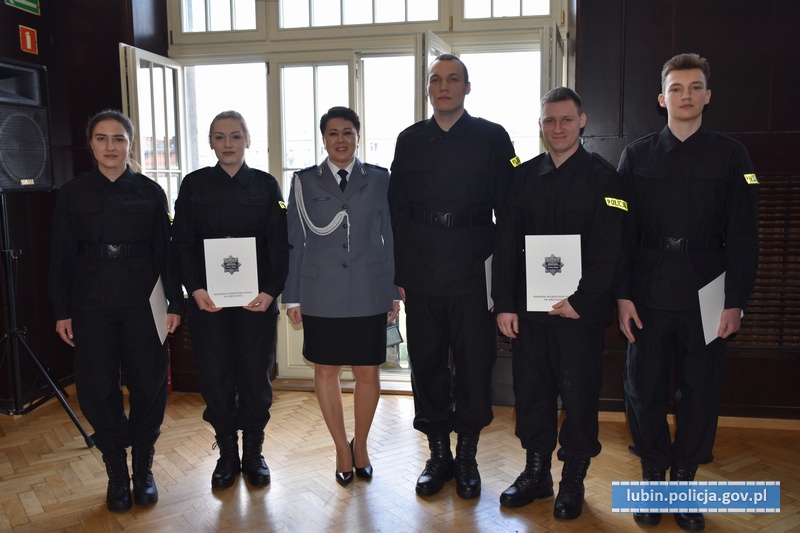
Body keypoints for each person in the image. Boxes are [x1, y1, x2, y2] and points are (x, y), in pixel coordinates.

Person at [616, 53, 759, 531]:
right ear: (662, 99)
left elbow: (744, 233)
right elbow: (620, 232)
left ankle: (684, 482)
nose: (686, 96)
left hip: (708, 293)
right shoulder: (635, 155)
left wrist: (736, 300)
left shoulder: (733, 155)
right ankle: (653, 478)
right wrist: (622, 295)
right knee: (644, 391)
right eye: (676, 88)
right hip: (648, 292)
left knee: (700, 394)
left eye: (695, 87)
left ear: (708, 95)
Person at [492, 88, 627, 519]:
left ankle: (573, 478)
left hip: (579, 312)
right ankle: (536, 472)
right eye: (549, 120)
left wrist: (583, 301)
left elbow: (611, 248)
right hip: (530, 312)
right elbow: (508, 243)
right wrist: (505, 303)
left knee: (579, 393)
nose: (558, 128)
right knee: (532, 391)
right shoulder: (524, 176)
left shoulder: (605, 178)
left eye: (566, 120)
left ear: (582, 121)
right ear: (540, 125)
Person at [388, 54, 518, 499]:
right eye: (436, 80)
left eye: (453, 79)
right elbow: (396, 212)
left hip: (472, 270)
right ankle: (438, 453)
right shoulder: (410, 140)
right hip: (421, 271)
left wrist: (503, 286)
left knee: (474, 366)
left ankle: (467, 455)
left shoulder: (492, 137)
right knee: (425, 365)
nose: (444, 86)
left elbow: (509, 214)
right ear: (428, 89)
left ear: (467, 87)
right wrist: (398, 274)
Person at [49, 109, 183, 512]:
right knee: (96, 386)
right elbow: (59, 256)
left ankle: (142, 470)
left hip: (145, 303)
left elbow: (166, 251)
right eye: (102, 138)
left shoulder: (150, 192)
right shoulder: (72, 194)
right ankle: (115, 472)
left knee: (149, 383)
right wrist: (62, 309)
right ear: (90, 144)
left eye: (119, 139)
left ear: (131, 144)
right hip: (91, 303)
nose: (111, 146)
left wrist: (174, 303)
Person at [171, 110, 289, 490]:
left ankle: (253, 453)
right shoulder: (193, 186)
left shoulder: (267, 186)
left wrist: (271, 290)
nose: (228, 144)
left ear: (248, 140)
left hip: (256, 302)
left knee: (255, 375)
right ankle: (226, 455)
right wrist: (195, 289)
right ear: (210, 142)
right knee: (217, 375)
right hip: (210, 304)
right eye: (219, 137)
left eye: (235, 136)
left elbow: (278, 244)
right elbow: (183, 243)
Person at [283, 106, 400, 487]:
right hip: (320, 292)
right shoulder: (303, 182)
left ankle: (361, 445)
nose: (340, 140)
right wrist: (292, 297)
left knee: (368, 371)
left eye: (347, 132)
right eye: (333, 133)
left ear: (358, 136)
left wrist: (393, 291)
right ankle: (340, 447)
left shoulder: (380, 178)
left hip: (369, 289)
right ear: (323, 139)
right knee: (326, 370)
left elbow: (389, 238)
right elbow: (295, 241)